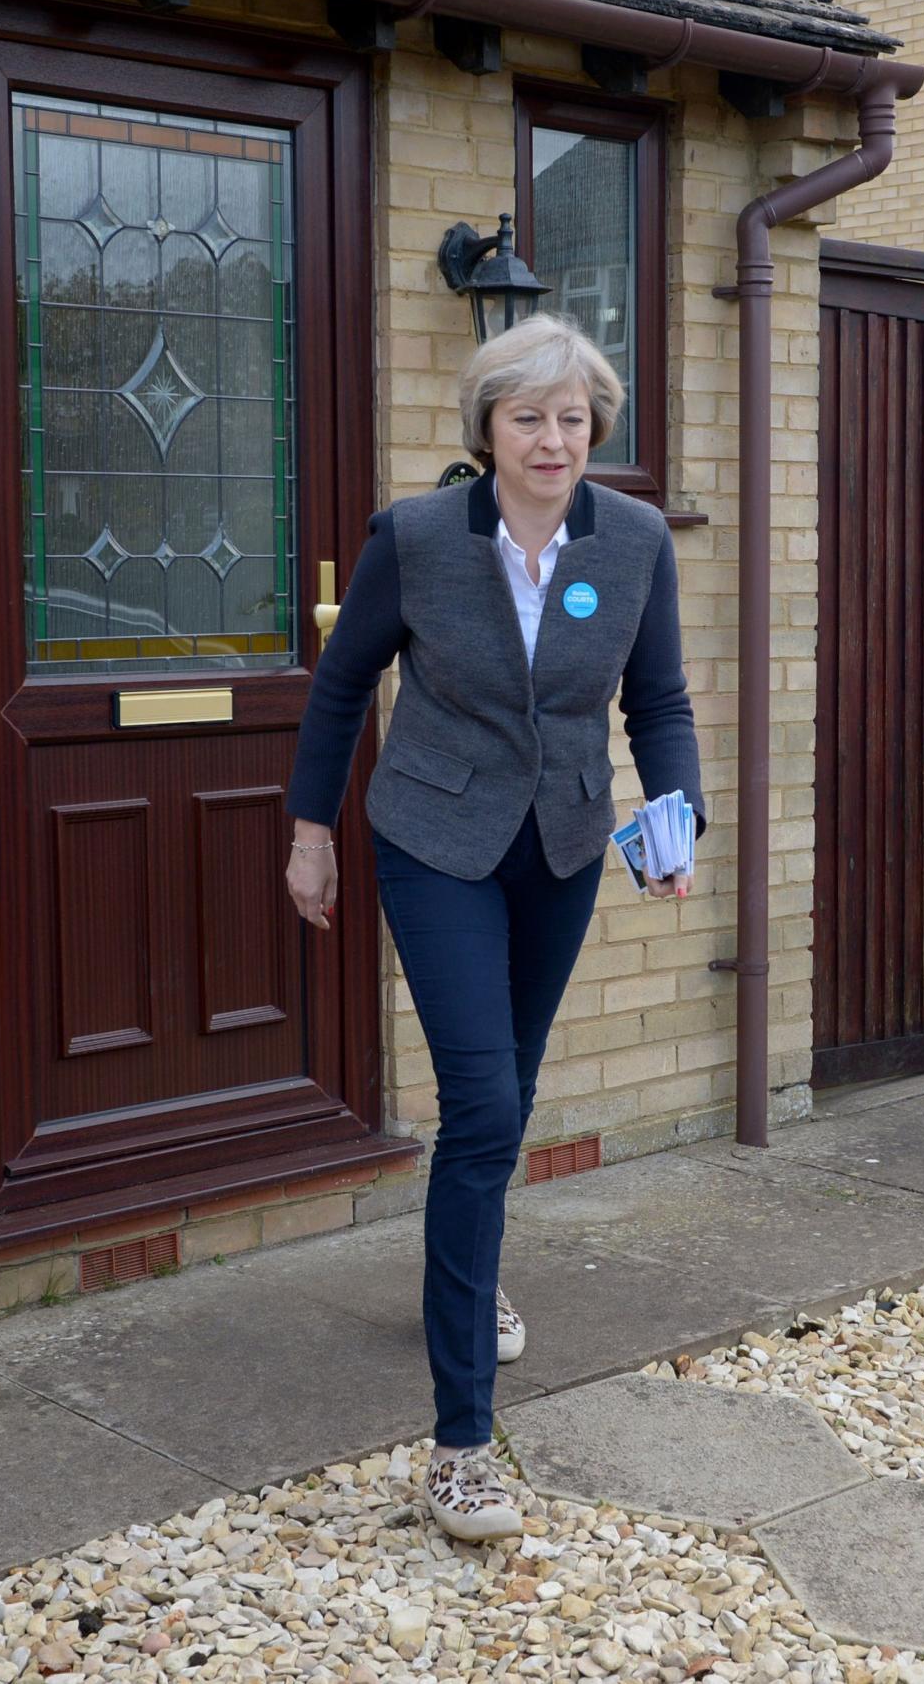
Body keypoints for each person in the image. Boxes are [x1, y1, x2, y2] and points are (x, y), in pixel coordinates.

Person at [283, 314, 703, 1542]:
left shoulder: (629, 543)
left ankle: (466, 1279)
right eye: (529, 417)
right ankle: (461, 1445)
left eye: (573, 418)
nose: (553, 439)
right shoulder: (415, 538)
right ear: (487, 428)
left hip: (563, 846)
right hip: (433, 842)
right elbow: (342, 684)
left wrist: (674, 821)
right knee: (483, 1111)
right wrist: (311, 831)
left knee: (502, 1105)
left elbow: (659, 699)